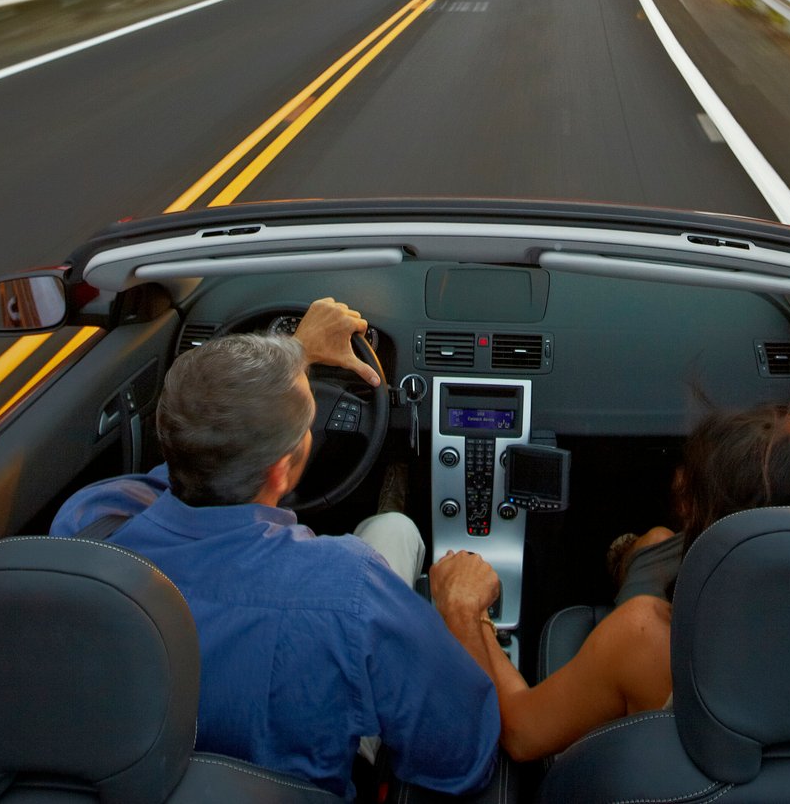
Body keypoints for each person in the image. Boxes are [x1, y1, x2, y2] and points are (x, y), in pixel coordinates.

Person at [52, 297, 499, 798]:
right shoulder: (348, 587)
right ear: (281, 470)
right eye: (308, 423)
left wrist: (295, 352)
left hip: (143, 772)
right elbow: (463, 759)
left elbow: (192, 467)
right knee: (395, 529)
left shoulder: (89, 524)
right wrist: (463, 616)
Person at [428, 404, 790, 762]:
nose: (679, 484)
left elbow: (521, 735)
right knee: (655, 542)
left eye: (695, 509)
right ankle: (633, 552)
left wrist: (465, 612)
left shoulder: (644, 639)